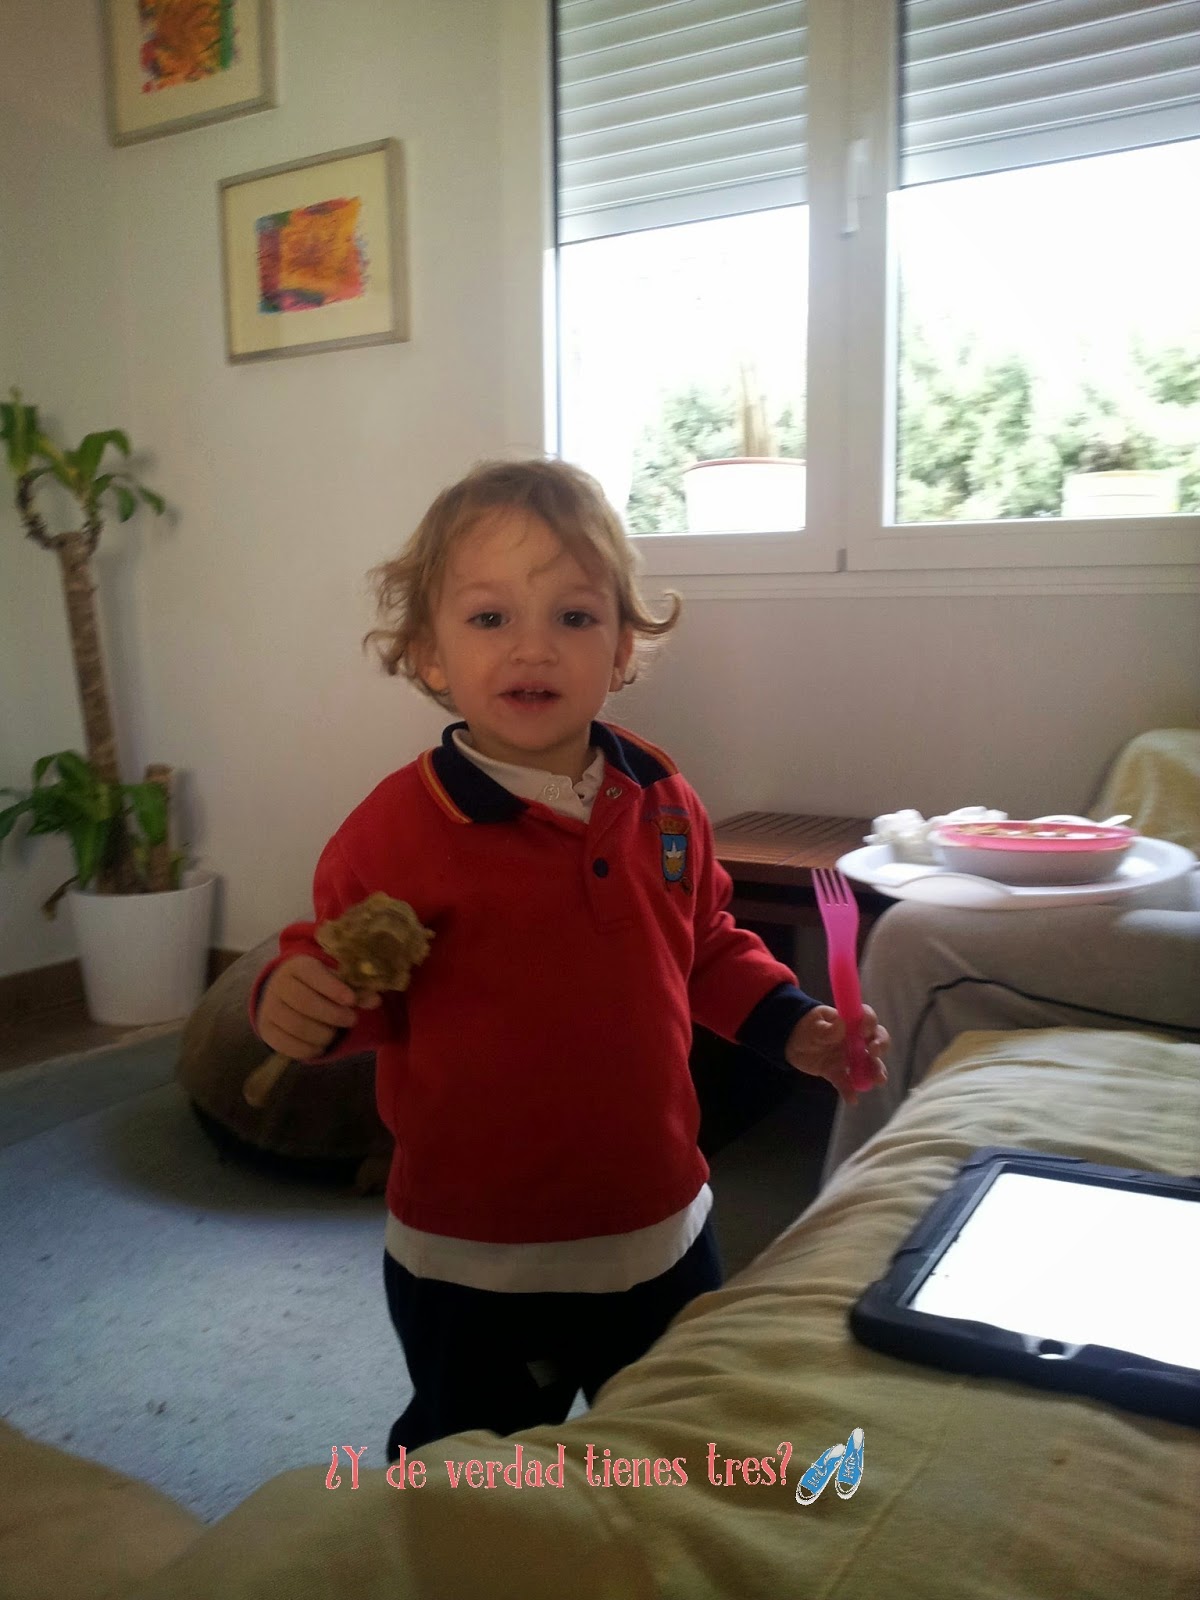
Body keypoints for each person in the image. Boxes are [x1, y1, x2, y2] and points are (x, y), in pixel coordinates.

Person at [251, 457, 890, 1456]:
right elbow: (343, 974)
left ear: (623, 648)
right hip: (476, 1252)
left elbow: (705, 945)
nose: (534, 646)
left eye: (575, 616)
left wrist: (791, 1023)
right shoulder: (394, 831)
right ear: (429, 655)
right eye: (490, 617)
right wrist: (294, 996)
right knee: (473, 1464)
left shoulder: (665, 800)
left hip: (660, 1217)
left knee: (676, 1442)